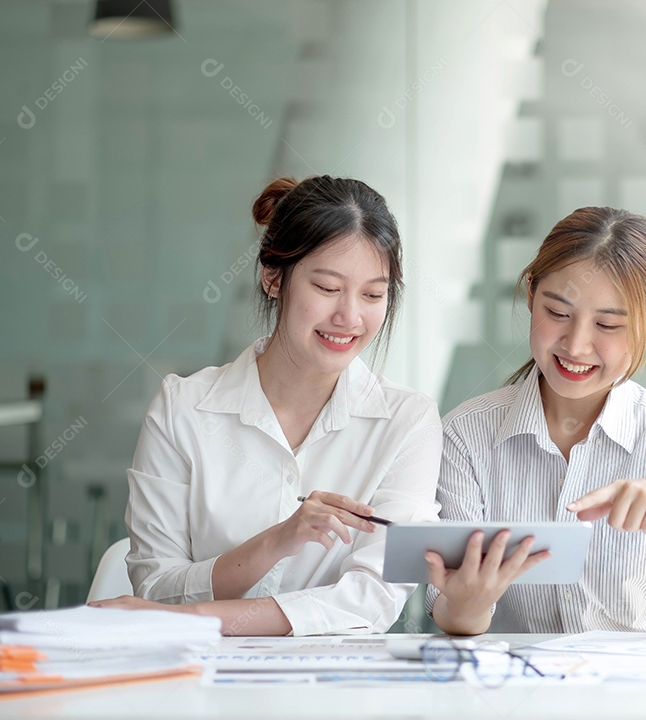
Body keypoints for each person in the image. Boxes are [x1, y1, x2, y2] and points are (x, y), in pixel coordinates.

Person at [90, 176, 441, 636]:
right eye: (328, 287)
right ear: (273, 278)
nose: (350, 317)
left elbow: (370, 601)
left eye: (373, 295)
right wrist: (276, 542)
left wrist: (192, 620)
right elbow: (156, 589)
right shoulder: (184, 409)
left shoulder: (407, 422)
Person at [426, 206, 646, 635]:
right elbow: (449, 611)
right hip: (515, 691)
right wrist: (469, 603)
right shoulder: (466, 435)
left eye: (608, 324)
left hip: (639, 697)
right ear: (531, 294)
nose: (577, 344)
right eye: (558, 314)